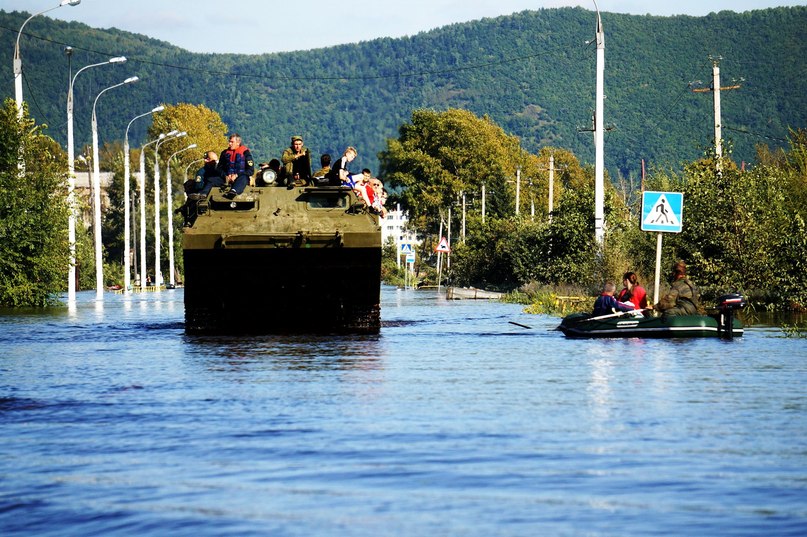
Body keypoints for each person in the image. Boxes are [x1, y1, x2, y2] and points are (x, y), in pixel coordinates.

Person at [217, 133, 254, 199]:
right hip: (226, 179)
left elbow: (250, 171)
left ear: (238, 142)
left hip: (240, 178)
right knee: (211, 179)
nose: (229, 144)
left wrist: (237, 175)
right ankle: (203, 193)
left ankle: (233, 191)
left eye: (232, 142)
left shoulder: (246, 153)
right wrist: (225, 175)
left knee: (244, 177)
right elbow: (219, 168)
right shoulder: (224, 153)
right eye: (229, 142)